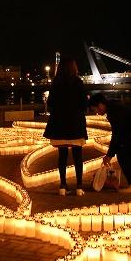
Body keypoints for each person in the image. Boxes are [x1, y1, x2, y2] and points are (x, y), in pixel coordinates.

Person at [42, 57, 88, 196]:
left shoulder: (56, 83)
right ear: (73, 68)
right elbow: (84, 104)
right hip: (75, 124)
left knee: (62, 156)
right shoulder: (78, 82)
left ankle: (63, 185)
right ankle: (79, 186)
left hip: (59, 124)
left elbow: (50, 103)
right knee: (77, 156)